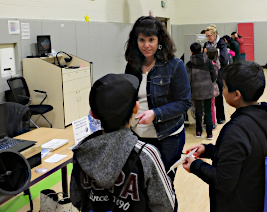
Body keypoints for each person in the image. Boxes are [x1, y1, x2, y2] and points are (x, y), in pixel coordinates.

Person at [182, 61, 267, 212]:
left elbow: (223, 181)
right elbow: (241, 156)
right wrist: (207, 150)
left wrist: (195, 165)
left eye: (225, 87)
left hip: (237, 204)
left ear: (237, 95)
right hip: (254, 197)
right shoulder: (262, 116)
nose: (222, 90)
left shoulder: (236, 130)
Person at [70, 74, 176, 212]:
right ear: (136, 108)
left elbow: (76, 198)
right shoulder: (146, 154)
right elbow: (166, 206)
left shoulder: (81, 151)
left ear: (93, 114)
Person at [124, 16, 191, 183]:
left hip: (167, 136)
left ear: (159, 40)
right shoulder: (132, 65)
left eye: (151, 40)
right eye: (142, 40)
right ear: (136, 41)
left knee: (164, 185)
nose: (146, 45)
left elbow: (184, 102)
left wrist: (155, 113)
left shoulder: (175, 65)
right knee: (141, 187)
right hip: (137, 135)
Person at [186, 42, 216, 139]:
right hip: (207, 89)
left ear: (191, 52)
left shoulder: (189, 64)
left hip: (196, 90)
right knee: (208, 111)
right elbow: (214, 75)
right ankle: (209, 133)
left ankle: (198, 131)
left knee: (198, 111)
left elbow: (188, 78)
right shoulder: (207, 61)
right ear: (202, 50)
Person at [203, 24, 228, 124]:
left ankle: (220, 117)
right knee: (208, 98)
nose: (208, 38)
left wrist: (210, 54)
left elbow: (224, 60)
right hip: (207, 74)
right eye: (207, 36)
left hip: (218, 74)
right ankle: (209, 118)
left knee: (218, 96)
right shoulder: (206, 44)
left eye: (209, 36)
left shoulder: (221, 44)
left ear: (215, 34)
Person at [205, 47, 220, 130]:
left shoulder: (211, 64)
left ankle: (213, 123)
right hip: (213, 87)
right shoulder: (216, 61)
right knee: (211, 106)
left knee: (210, 106)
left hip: (210, 87)